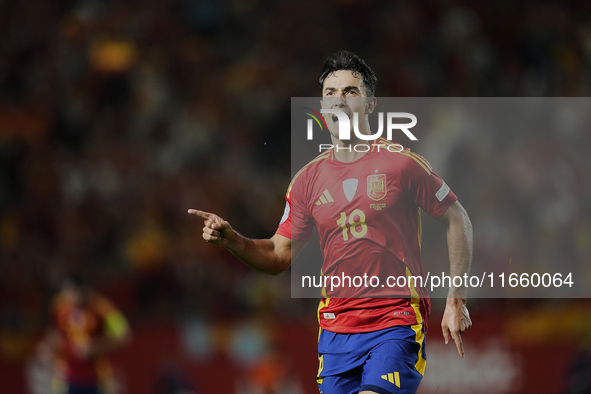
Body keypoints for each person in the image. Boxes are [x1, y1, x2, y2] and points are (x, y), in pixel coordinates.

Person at [189, 50, 473, 394]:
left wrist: (456, 298)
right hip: (335, 331)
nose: (339, 100)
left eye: (350, 92)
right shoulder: (307, 180)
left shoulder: (401, 164)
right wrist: (233, 240)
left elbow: (457, 219)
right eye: (330, 93)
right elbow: (279, 255)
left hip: (395, 321)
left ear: (370, 104)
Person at [37, 275, 131, 394]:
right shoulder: (59, 306)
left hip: (97, 378)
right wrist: (47, 347)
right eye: (68, 293)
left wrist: (96, 347)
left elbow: (125, 336)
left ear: (86, 291)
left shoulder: (104, 308)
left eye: (76, 294)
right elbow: (54, 332)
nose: (71, 299)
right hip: (67, 377)